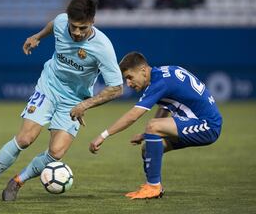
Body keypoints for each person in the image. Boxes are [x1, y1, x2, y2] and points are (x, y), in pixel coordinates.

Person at [0, 0, 123, 202]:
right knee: (25, 138)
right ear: (68, 20)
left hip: (75, 100)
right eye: (73, 26)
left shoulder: (103, 47)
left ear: (93, 22)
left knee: (56, 152)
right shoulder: (61, 22)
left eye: (83, 28)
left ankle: (17, 182)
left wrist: (85, 104)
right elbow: (53, 25)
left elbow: (117, 88)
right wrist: (38, 36)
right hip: (49, 87)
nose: (77, 32)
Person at [89, 52, 222, 199]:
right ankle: (152, 185)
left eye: (129, 77)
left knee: (153, 126)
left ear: (143, 70)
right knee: (148, 148)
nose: (128, 83)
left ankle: (154, 187)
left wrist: (103, 135)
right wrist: (147, 134)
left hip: (207, 125)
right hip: (195, 121)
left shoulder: (160, 82)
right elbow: (166, 106)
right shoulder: (164, 74)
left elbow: (133, 116)